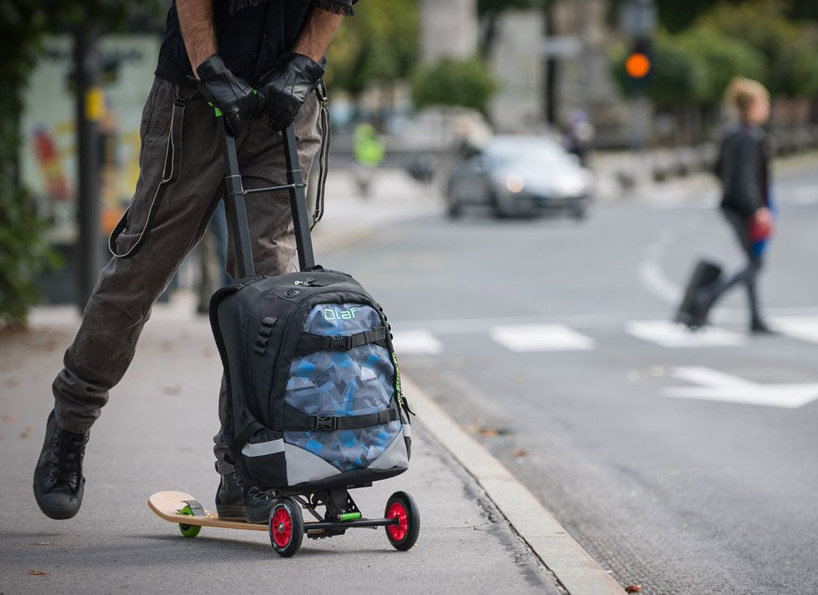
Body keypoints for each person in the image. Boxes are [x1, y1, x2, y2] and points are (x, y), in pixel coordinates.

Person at [33, 0, 357, 524]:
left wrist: (303, 64)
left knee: (271, 296)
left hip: (285, 104)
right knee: (141, 272)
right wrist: (209, 67)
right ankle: (70, 423)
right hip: (194, 97)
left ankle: (244, 464)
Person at [704, 77, 775, 333]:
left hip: (730, 204)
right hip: (746, 208)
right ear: (751, 106)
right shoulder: (751, 137)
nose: (767, 107)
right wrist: (757, 209)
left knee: (751, 260)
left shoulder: (730, 134)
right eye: (763, 102)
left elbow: (717, 169)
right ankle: (709, 297)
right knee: (754, 263)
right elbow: (748, 178)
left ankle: (756, 319)